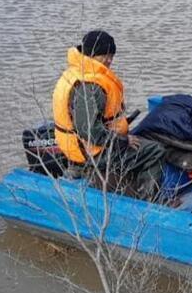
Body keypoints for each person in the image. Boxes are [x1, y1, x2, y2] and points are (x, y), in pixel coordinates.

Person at [52, 30, 165, 199]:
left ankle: (125, 184)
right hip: (93, 153)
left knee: (140, 141)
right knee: (155, 150)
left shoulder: (76, 72)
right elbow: (88, 130)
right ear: (91, 54)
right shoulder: (91, 86)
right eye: (104, 55)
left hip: (83, 149)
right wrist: (122, 140)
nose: (109, 60)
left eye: (111, 55)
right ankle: (148, 200)